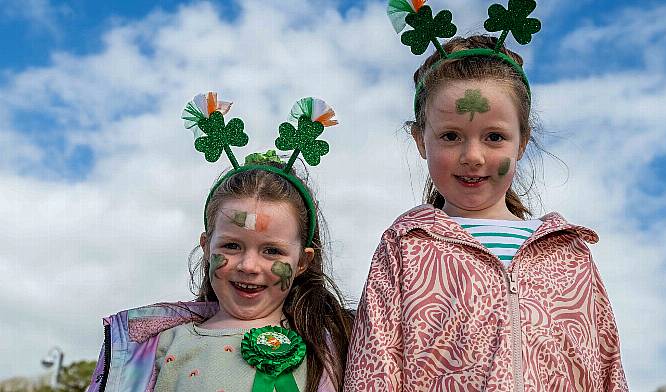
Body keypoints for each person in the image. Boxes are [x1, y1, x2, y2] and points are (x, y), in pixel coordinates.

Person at [344, 2, 628, 390]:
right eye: (450, 136)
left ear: (522, 143)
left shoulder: (570, 255)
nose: (473, 156)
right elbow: (371, 371)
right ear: (420, 141)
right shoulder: (404, 249)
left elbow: (608, 370)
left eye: (494, 137)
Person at [88, 95, 353, 392]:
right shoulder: (162, 346)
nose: (249, 265)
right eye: (231, 246)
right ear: (206, 247)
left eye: (272, 251)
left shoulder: (332, 346)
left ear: (303, 261)